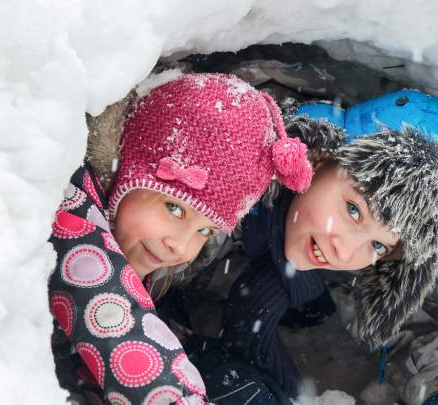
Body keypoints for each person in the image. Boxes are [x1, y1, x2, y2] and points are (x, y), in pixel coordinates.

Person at [165, 88, 438, 405]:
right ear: (318, 159)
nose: (345, 252)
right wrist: (192, 361)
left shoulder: (343, 259)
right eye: (354, 210)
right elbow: (131, 290)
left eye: (378, 244)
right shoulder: (216, 205)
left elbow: (415, 333)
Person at [46, 73, 313, 404]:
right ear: (129, 171)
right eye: (174, 208)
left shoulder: (138, 243)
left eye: (205, 231)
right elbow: (113, 320)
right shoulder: (69, 204)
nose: (182, 246)